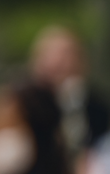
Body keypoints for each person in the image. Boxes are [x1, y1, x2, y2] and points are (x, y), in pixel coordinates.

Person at [30, 25, 108, 156]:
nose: (59, 60)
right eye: (53, 53)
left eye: (67, 54)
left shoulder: (95, 104)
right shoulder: (29, 102)